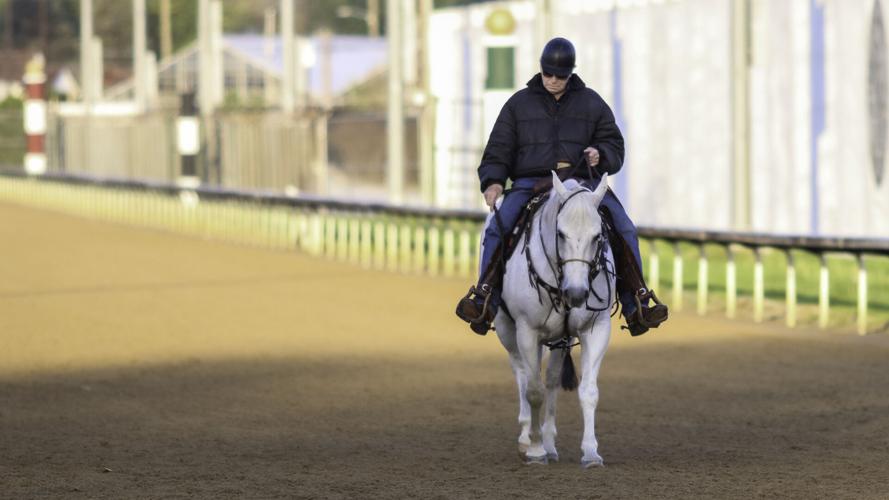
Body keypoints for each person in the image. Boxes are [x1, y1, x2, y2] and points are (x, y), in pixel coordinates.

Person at [455, 37, 668, 337]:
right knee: (495, 228)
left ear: (571, 74)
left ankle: (637, 302)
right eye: (548, 74)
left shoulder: (592, 102)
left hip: (583, 183)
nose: (553, 80)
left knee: (625, 228)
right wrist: (492, 182)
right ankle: (485, 296)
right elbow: (499, 148)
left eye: (560, 76)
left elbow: (614, 145)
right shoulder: (518, 104)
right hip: (530, 183)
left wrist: (601, 154)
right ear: (541, 70)